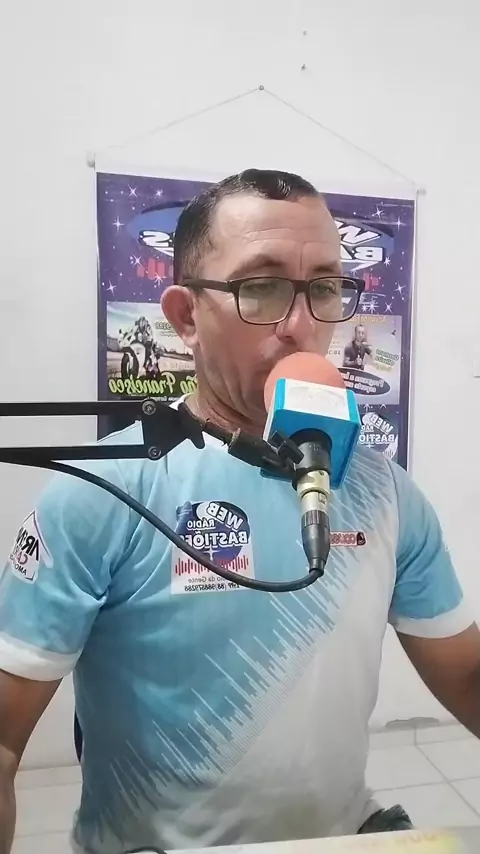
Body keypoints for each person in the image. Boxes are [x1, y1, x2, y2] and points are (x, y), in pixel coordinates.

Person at [1, 169, 480, 854]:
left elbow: (466, 674)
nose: (301, 327)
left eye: (324, 288)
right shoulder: (102, 490)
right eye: (261, 287)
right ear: (185, 317)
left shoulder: (386, 492)